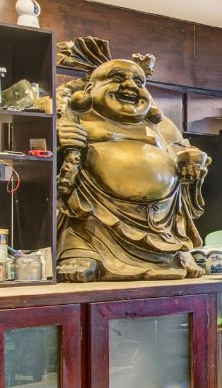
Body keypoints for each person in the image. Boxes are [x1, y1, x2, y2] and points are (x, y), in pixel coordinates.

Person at [54, 48, 210, 281]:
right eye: (117, 78)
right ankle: (82, 253)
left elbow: (183, 150)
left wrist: (192, 160)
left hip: (160, 217)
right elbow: (45, 164)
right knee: (82, 234)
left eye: (139, 81)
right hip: (97, 217)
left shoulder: (160, 124)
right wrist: (61, 141)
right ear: (90, 89)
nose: (129, 85)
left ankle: (173, 254)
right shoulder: (77, 117)